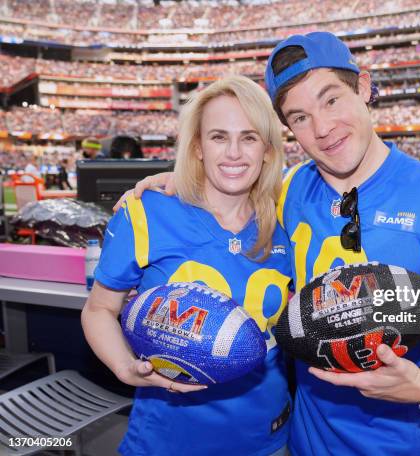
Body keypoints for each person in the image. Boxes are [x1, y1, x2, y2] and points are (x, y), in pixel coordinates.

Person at [120, 32, 420, 456]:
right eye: (300, 117)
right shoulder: (290, 190)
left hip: (394, 446)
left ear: (363, 88)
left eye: (331, 99)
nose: (323, 128)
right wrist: (176, 182)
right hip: (299, 440)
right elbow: (226, 188)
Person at [82, 76, 292, 456]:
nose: (233, 152)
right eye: (218, 137)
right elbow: (98, 309)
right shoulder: (146, 213)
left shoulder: (289, 224)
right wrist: (124, 367)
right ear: (197, 146)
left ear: (267, 149)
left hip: (266, 438)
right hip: (166, 438)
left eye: (249, 137)